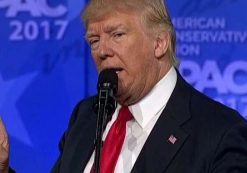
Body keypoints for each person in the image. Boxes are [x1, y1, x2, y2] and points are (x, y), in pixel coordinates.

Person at [51, 0, 247, 172]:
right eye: (94, 40)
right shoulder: (85, 116)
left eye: (117, 35)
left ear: (160, 43)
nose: (102, 51)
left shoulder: (220, 132)